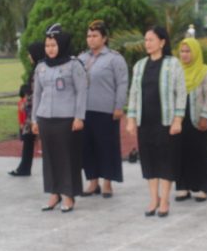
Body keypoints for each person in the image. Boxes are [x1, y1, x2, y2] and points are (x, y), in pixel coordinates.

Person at [126, 26, 186, 217]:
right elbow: (134, 93)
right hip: (145, 122)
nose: (147, 43)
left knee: (165, 161)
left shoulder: (173, 64)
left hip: (166, 122)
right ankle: (154, 199)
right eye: (146, 40)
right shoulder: (140, 66)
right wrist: (131, 119)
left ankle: (165, 200)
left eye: (151, 39)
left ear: (162, 42)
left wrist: (178, 119)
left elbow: (181, 93)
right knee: (149, 160)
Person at [32, 24, 87, 213]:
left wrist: (79, 117)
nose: (50, 49)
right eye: (47, 46)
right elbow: (37, 94)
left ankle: (68, 195)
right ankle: (53, 193)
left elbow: (81, 92)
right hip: (45, 118)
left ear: (61, 45)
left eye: (53, 45)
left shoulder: (74, 65)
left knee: (67, 158)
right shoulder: (41, 66)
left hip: (66, 119)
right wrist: (34, 119)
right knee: (49, 158)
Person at [79, 20, 128, 197]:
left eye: (95, 36)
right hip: (84, 111)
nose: (91, 39)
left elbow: (122, 83)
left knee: (107, 147)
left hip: (106, 111)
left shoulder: (114, 58)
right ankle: (93, 182)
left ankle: (107, 182)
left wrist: (119, 106)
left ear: (104, 38)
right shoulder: (81, 58)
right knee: (87, 147)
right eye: (88, 36)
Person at [174, 38, 207, 202]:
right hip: (180, 118)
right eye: (182, 51)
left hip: (199, 120)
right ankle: (183, 186)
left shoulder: (205, 70)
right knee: (180, 153)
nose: (184, 54)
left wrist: (205, 116)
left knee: (200, 154)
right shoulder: (177, 70)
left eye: (188, 51)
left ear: (195, 52)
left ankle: (203, 188)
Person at [9, 41, 45, 177]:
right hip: (32, 109)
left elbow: (36, 90)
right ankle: (24, 167)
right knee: (28, 138)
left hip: (37, 110)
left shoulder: (41, 69)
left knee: (30, 138)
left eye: (30, 54)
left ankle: (25, 167)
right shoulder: (36, 68)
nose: (29, 56)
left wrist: (26, 91)